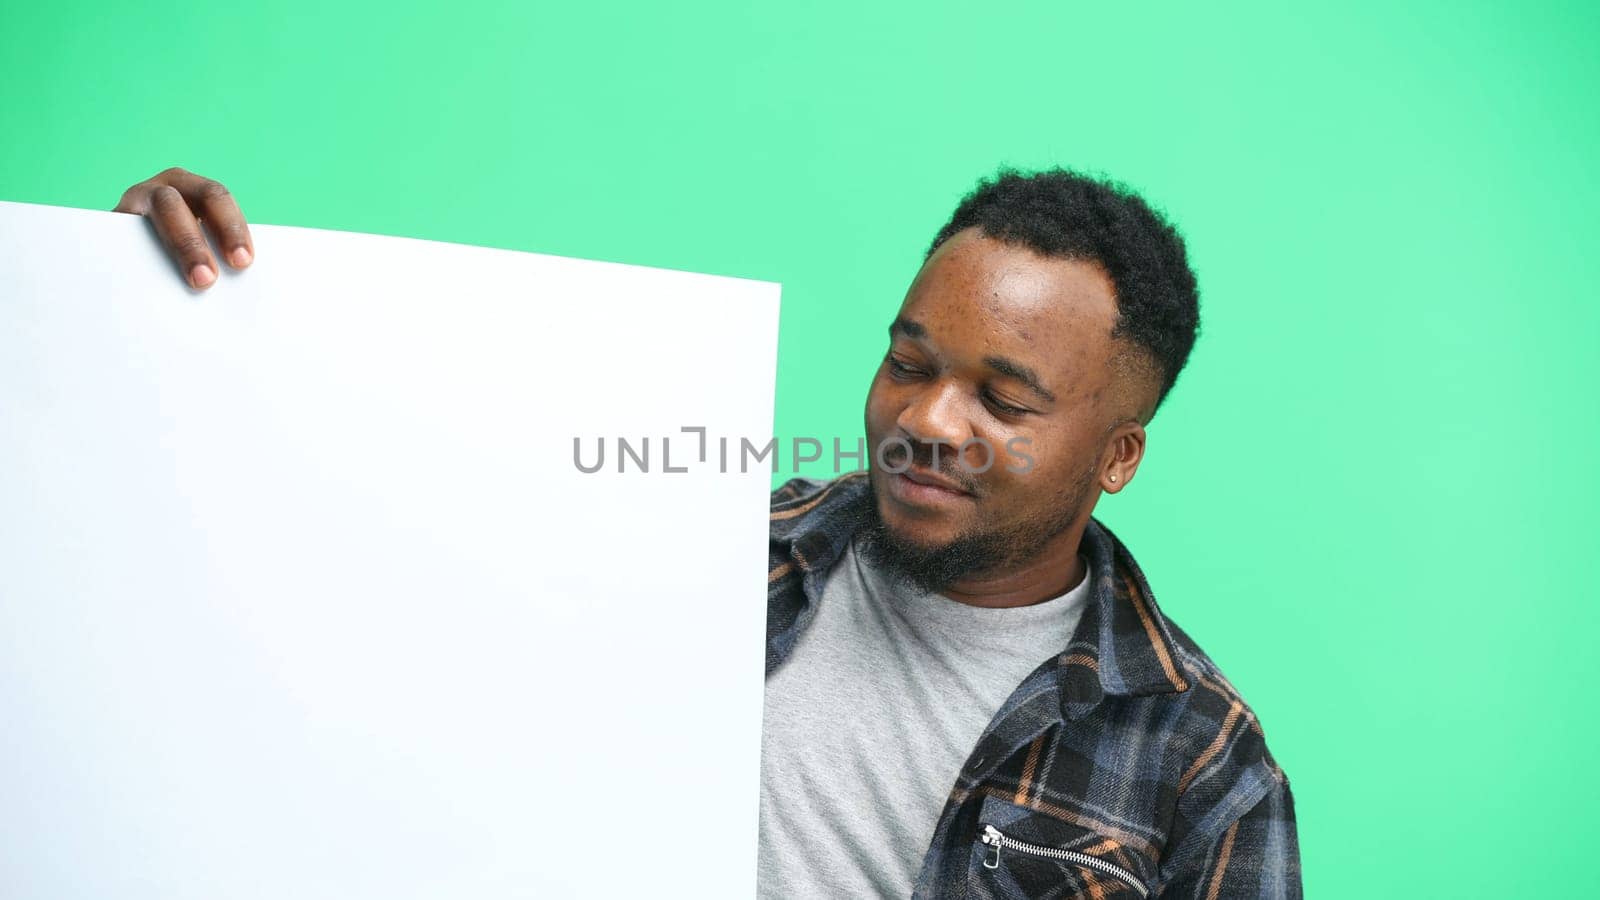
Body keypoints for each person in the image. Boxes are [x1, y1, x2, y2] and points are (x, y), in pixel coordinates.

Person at [115, 165, 1302, 898]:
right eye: (907, 362)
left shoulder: (1204, 767)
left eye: (1003, 399)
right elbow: (343, 573)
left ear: (1118, 454)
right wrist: (146, 310)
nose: (927, 419)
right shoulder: (692, 549)